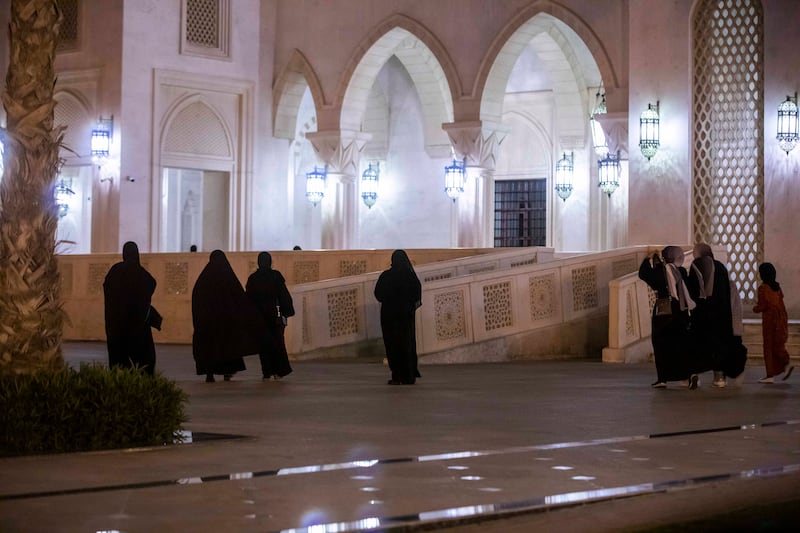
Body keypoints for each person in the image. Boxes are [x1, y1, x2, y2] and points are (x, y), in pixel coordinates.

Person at [191, 250, 264, 382]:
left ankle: (209, 374)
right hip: (226, 324)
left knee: (210, 348)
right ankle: (226, 372)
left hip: (209, 324)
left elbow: (197, 301)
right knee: (227, 348)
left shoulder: (203, 280)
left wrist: (200, 322)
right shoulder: (228, 278)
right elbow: (239, 298)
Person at [638, 246, 699, 389]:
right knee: (681, 344)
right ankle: (689, 375)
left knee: (661, 344)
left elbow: (643, 274)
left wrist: (648, 258)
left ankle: (662, 378)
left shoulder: (660, 271)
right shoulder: (682, 271)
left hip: (664, 311)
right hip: (681, 310)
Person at [687, 243, 746, 387]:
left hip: (701, 315)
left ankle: (694, 375)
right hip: (721, 315)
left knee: (698, 345)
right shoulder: (720, 267)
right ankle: (719, 378)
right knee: (719, 346)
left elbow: (692, 291)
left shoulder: (696, 266)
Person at [103, 241, 158, 375]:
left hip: (116, 325)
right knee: (142, 357)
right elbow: (152, 283)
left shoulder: (115, 271)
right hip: (137, 325)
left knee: (119, 358)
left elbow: (107, 287)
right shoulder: (140, 273)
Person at [374, 249, 422, 385]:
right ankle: (408, 376)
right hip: (405, 317)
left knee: (392, 345)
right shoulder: (410, 277)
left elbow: (378, 294)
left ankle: (397, 375)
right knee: (406, 344)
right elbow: (417, 295)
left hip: (389, 317)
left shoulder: (386, 276)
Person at [246, 251, 295, 381]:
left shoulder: (253, 279)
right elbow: (283, 295)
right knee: (277, 343)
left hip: (259, 318)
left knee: (263, 346)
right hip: (274, 317)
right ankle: (279, 371)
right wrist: (287, 311)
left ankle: (266, 372)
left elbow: (248, 299)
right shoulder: (275, 276)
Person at [752, 262, 793, 383]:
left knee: (769, 347)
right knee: (778, 344)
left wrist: (755, 309)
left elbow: (763, 305)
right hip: (780, 319)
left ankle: (770, 375)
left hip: (770, 321)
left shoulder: (763, 288)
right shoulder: (777, 288)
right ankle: (785, 363)